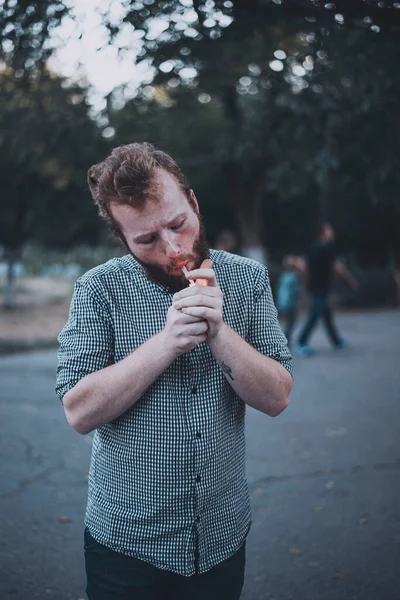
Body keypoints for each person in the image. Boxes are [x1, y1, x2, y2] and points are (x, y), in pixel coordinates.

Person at [56, 142, 293, 600]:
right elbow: (78, 412)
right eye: (146, 239)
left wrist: (218, 330)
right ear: (123, 240)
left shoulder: (248, 279)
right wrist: (168, 342)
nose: (172, 249)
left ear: (194, 204)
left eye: (178, 224)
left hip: (222, 537)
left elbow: (277, 397)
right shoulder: (97, 290)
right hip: (125, 546)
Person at [295, 223, 358, 357]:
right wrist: (351, 280)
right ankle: (300, 342)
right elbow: (338, 267)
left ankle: (336, 341)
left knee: (326, 314)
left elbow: (302, 266)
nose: (332, 233)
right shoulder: (326, 249)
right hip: (321, 288)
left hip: (314, 287)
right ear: (323, 233)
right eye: (330, 230)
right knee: (315, 315)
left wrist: (304, 285)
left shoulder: (312, 249)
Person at [276, 255, 303, 346]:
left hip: (283, 302)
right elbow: (296, 291)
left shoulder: (284, 276)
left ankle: (286, 339)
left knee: (288, 322)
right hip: (291, 303)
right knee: (291, 322)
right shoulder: (294, 276)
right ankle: (286, 340)